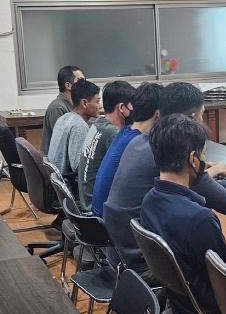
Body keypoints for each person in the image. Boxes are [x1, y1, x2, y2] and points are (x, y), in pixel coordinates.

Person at [103, 82, 226, 284]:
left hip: (122, 253)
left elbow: (200, 185)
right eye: (202, 115)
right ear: (192, 118)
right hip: (146, 264)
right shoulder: (177, 151)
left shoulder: (145, 141)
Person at [140, 114, 226, 314]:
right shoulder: (199, 220)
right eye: (203, 154)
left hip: (180, 307)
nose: (204, 160)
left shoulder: (148, 202)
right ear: (193, 159)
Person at [91, 82, 161, 217]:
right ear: (158, 115)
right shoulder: (139, 143)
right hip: (109, 221)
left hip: (101, 214)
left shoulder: (125, 132)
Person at [78, 81, 136, 213]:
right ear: (121, 108)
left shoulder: (98, 123)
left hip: (87, 199)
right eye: (132, 106)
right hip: (96, 206)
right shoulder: (113, 134)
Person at [47, 79, 100, 178]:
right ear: (84, 103)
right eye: (97, 101)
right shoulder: (79, 126)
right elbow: (78, 166)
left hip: (54, 179)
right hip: (68, 182)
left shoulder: (64, 118)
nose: (100, 106)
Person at [41, 65, 84, 156]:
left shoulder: (73, 105)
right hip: (56, 161)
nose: (84, 84)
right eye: (80, 81)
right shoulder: (58, 108)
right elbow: (61, 143)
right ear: (68, 85)